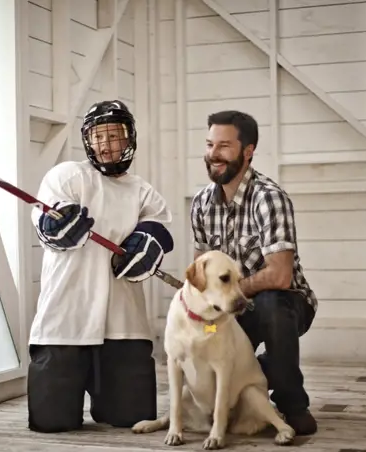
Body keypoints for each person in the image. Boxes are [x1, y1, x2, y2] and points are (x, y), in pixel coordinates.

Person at [27, 100, 174, 433]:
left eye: (114, 136)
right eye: (97, 137)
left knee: (130, 420)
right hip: (64, 321)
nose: (105, 145)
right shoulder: (66, 175)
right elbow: (43, 218)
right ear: (87, 141)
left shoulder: (144, 192)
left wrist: (148, 245)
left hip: (124, 326)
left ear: (129, 139)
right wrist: (57, 227)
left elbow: (160, 231)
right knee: (51, 423)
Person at [189, 110, 318, 436]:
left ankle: (293, 404)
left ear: (248, 151)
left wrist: (227, 293)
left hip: (284, 303)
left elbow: (279, 276)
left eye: (224, 146)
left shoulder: (268, 198)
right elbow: (201, 274)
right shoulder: (202, 203)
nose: (213, 154)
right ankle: (231, 391)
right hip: (231, 308)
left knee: (273, 304)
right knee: (203, 335)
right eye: (209, 145)